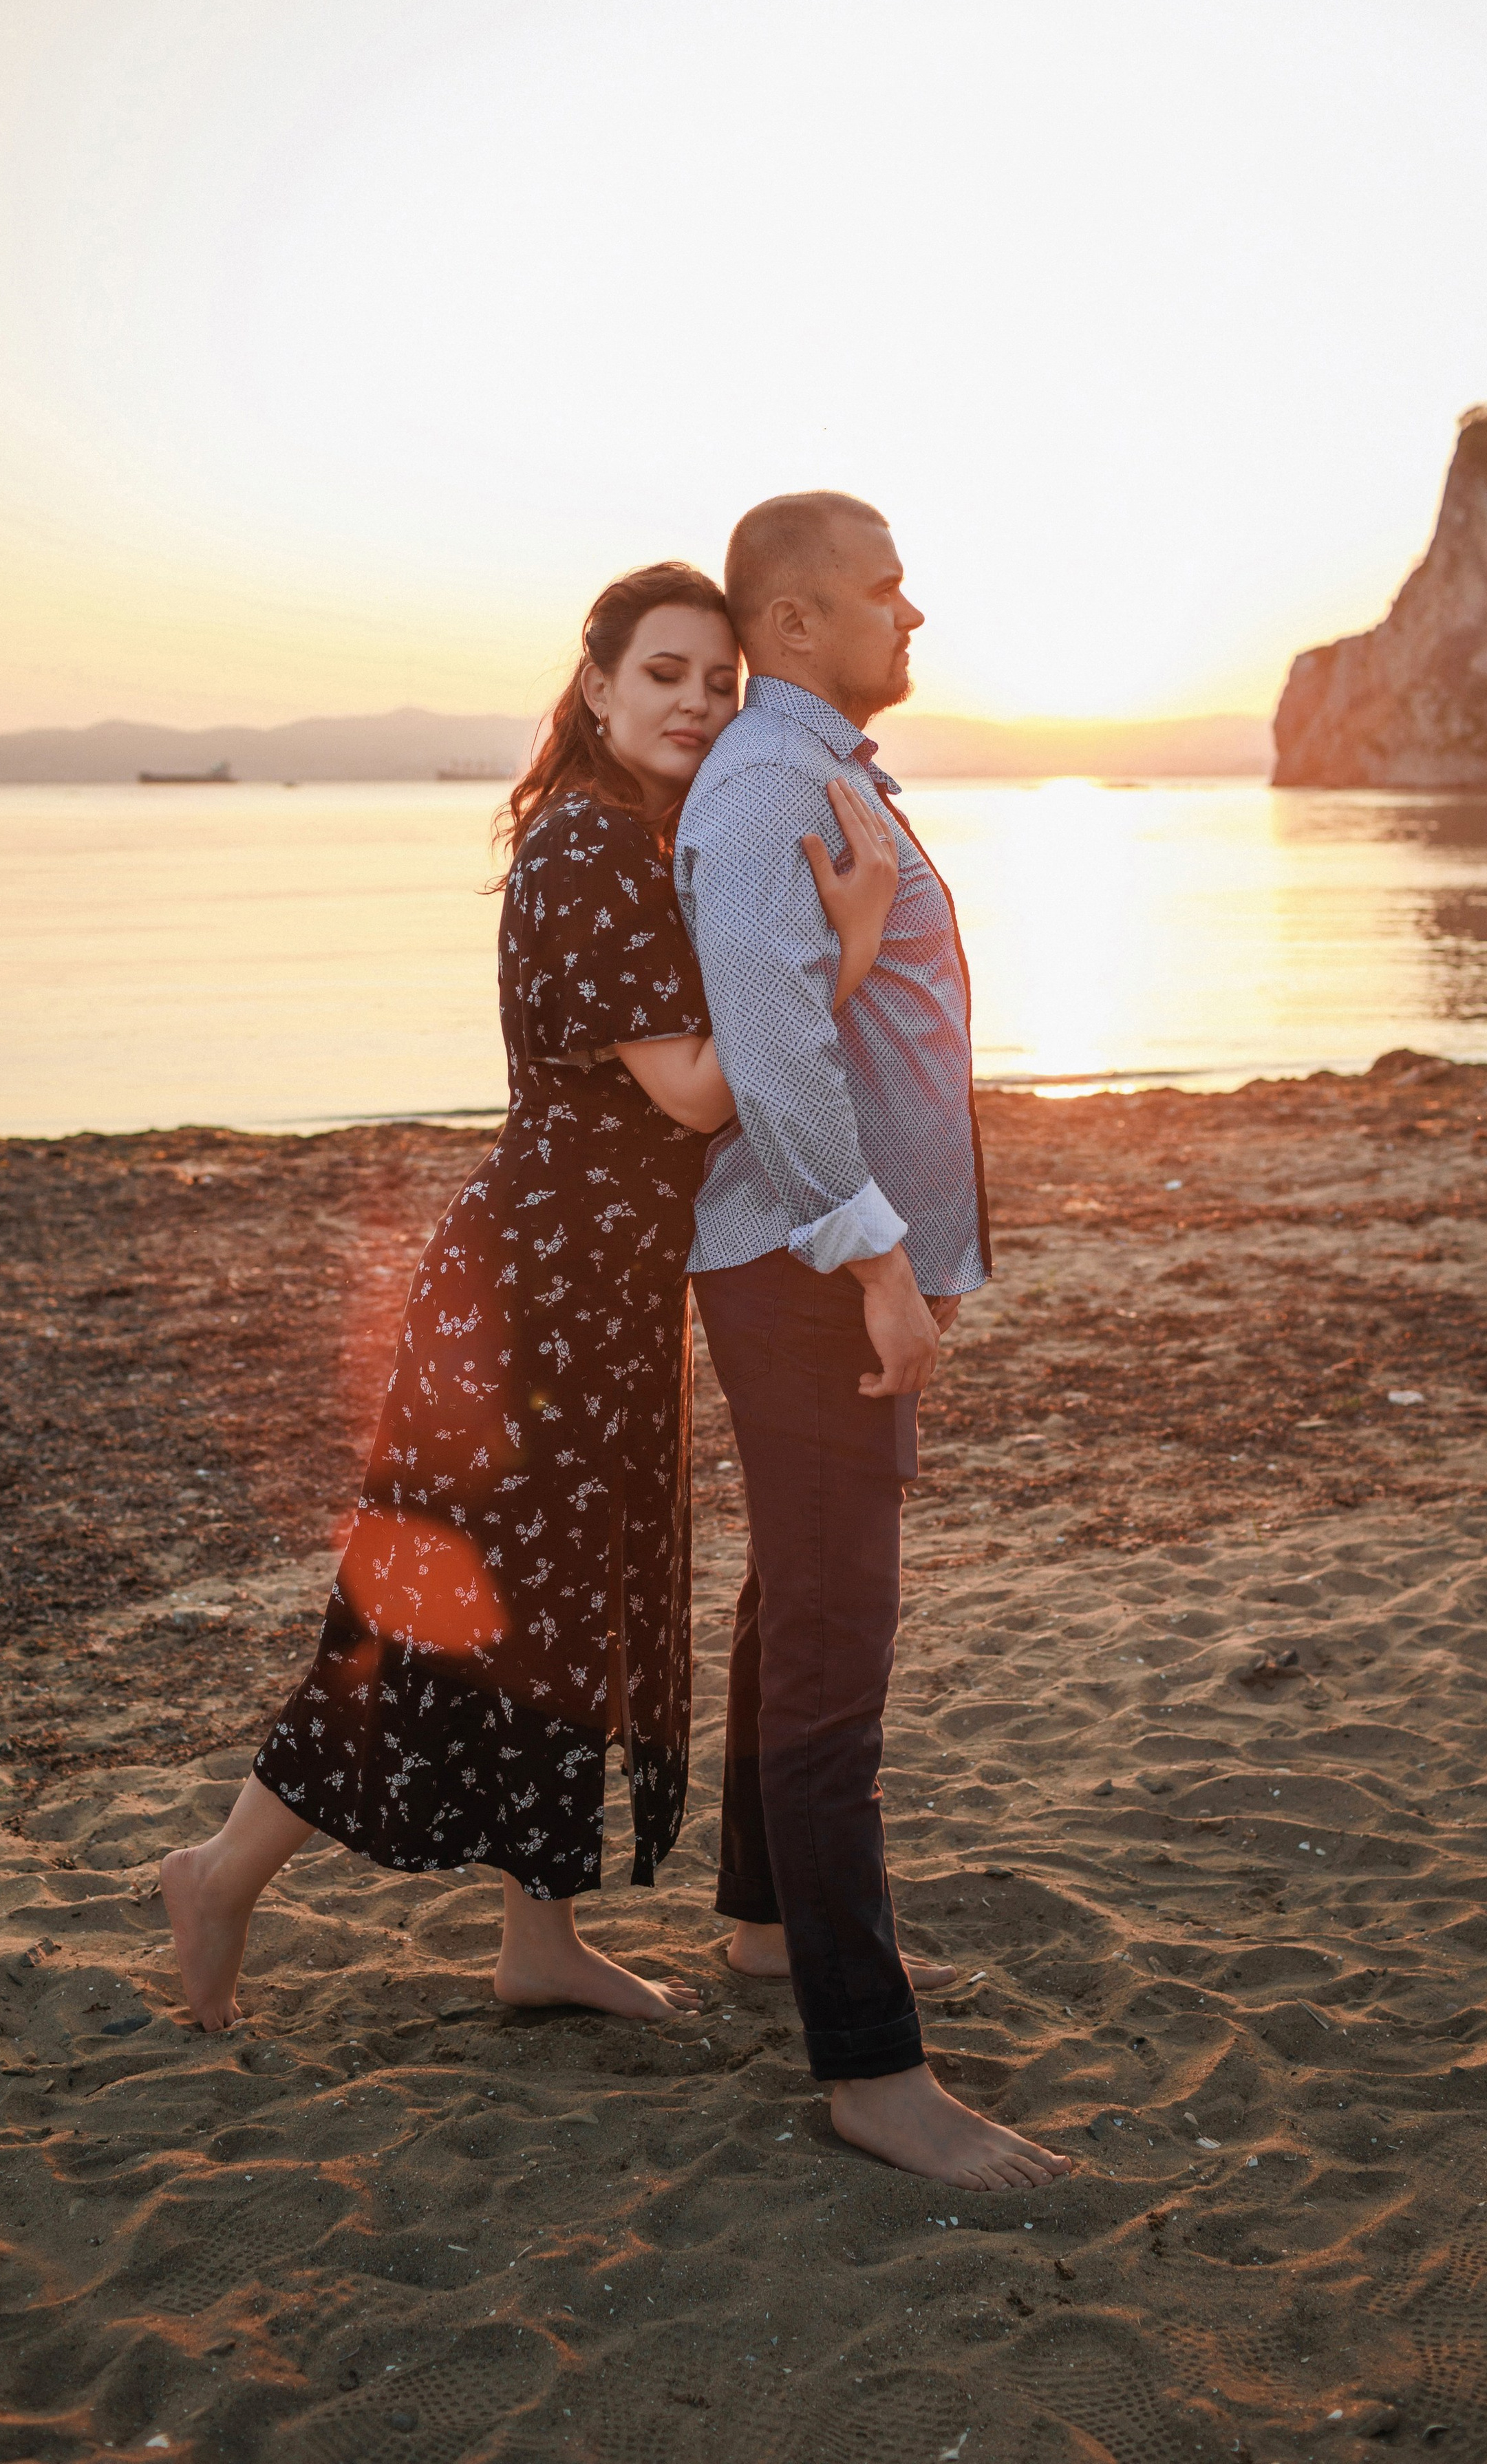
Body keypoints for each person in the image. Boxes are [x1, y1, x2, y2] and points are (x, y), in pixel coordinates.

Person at [161, 559, 899, 2032]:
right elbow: (695, 1093)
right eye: (663, 674)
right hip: (534, 1293)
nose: (693, 701)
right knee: (434, 1612)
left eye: (715, 682)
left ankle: (538, 1942)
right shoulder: (584, 851)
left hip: (605, 1288)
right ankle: (222, 1871)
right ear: (596, 685)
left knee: (559, 1620)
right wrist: (855, 940)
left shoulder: (640, 837)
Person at [674, 493, 1073, 2191]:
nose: (914, 614)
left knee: (797, 1596)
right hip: (804, 1267)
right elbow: (772, 1061)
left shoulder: (822, 766)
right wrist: (880, 1262)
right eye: (884, 591)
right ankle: (869, 2069)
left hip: (819, 1262)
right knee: (841, 1646)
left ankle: (767, 1928)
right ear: (792, 622)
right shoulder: (772, 783)